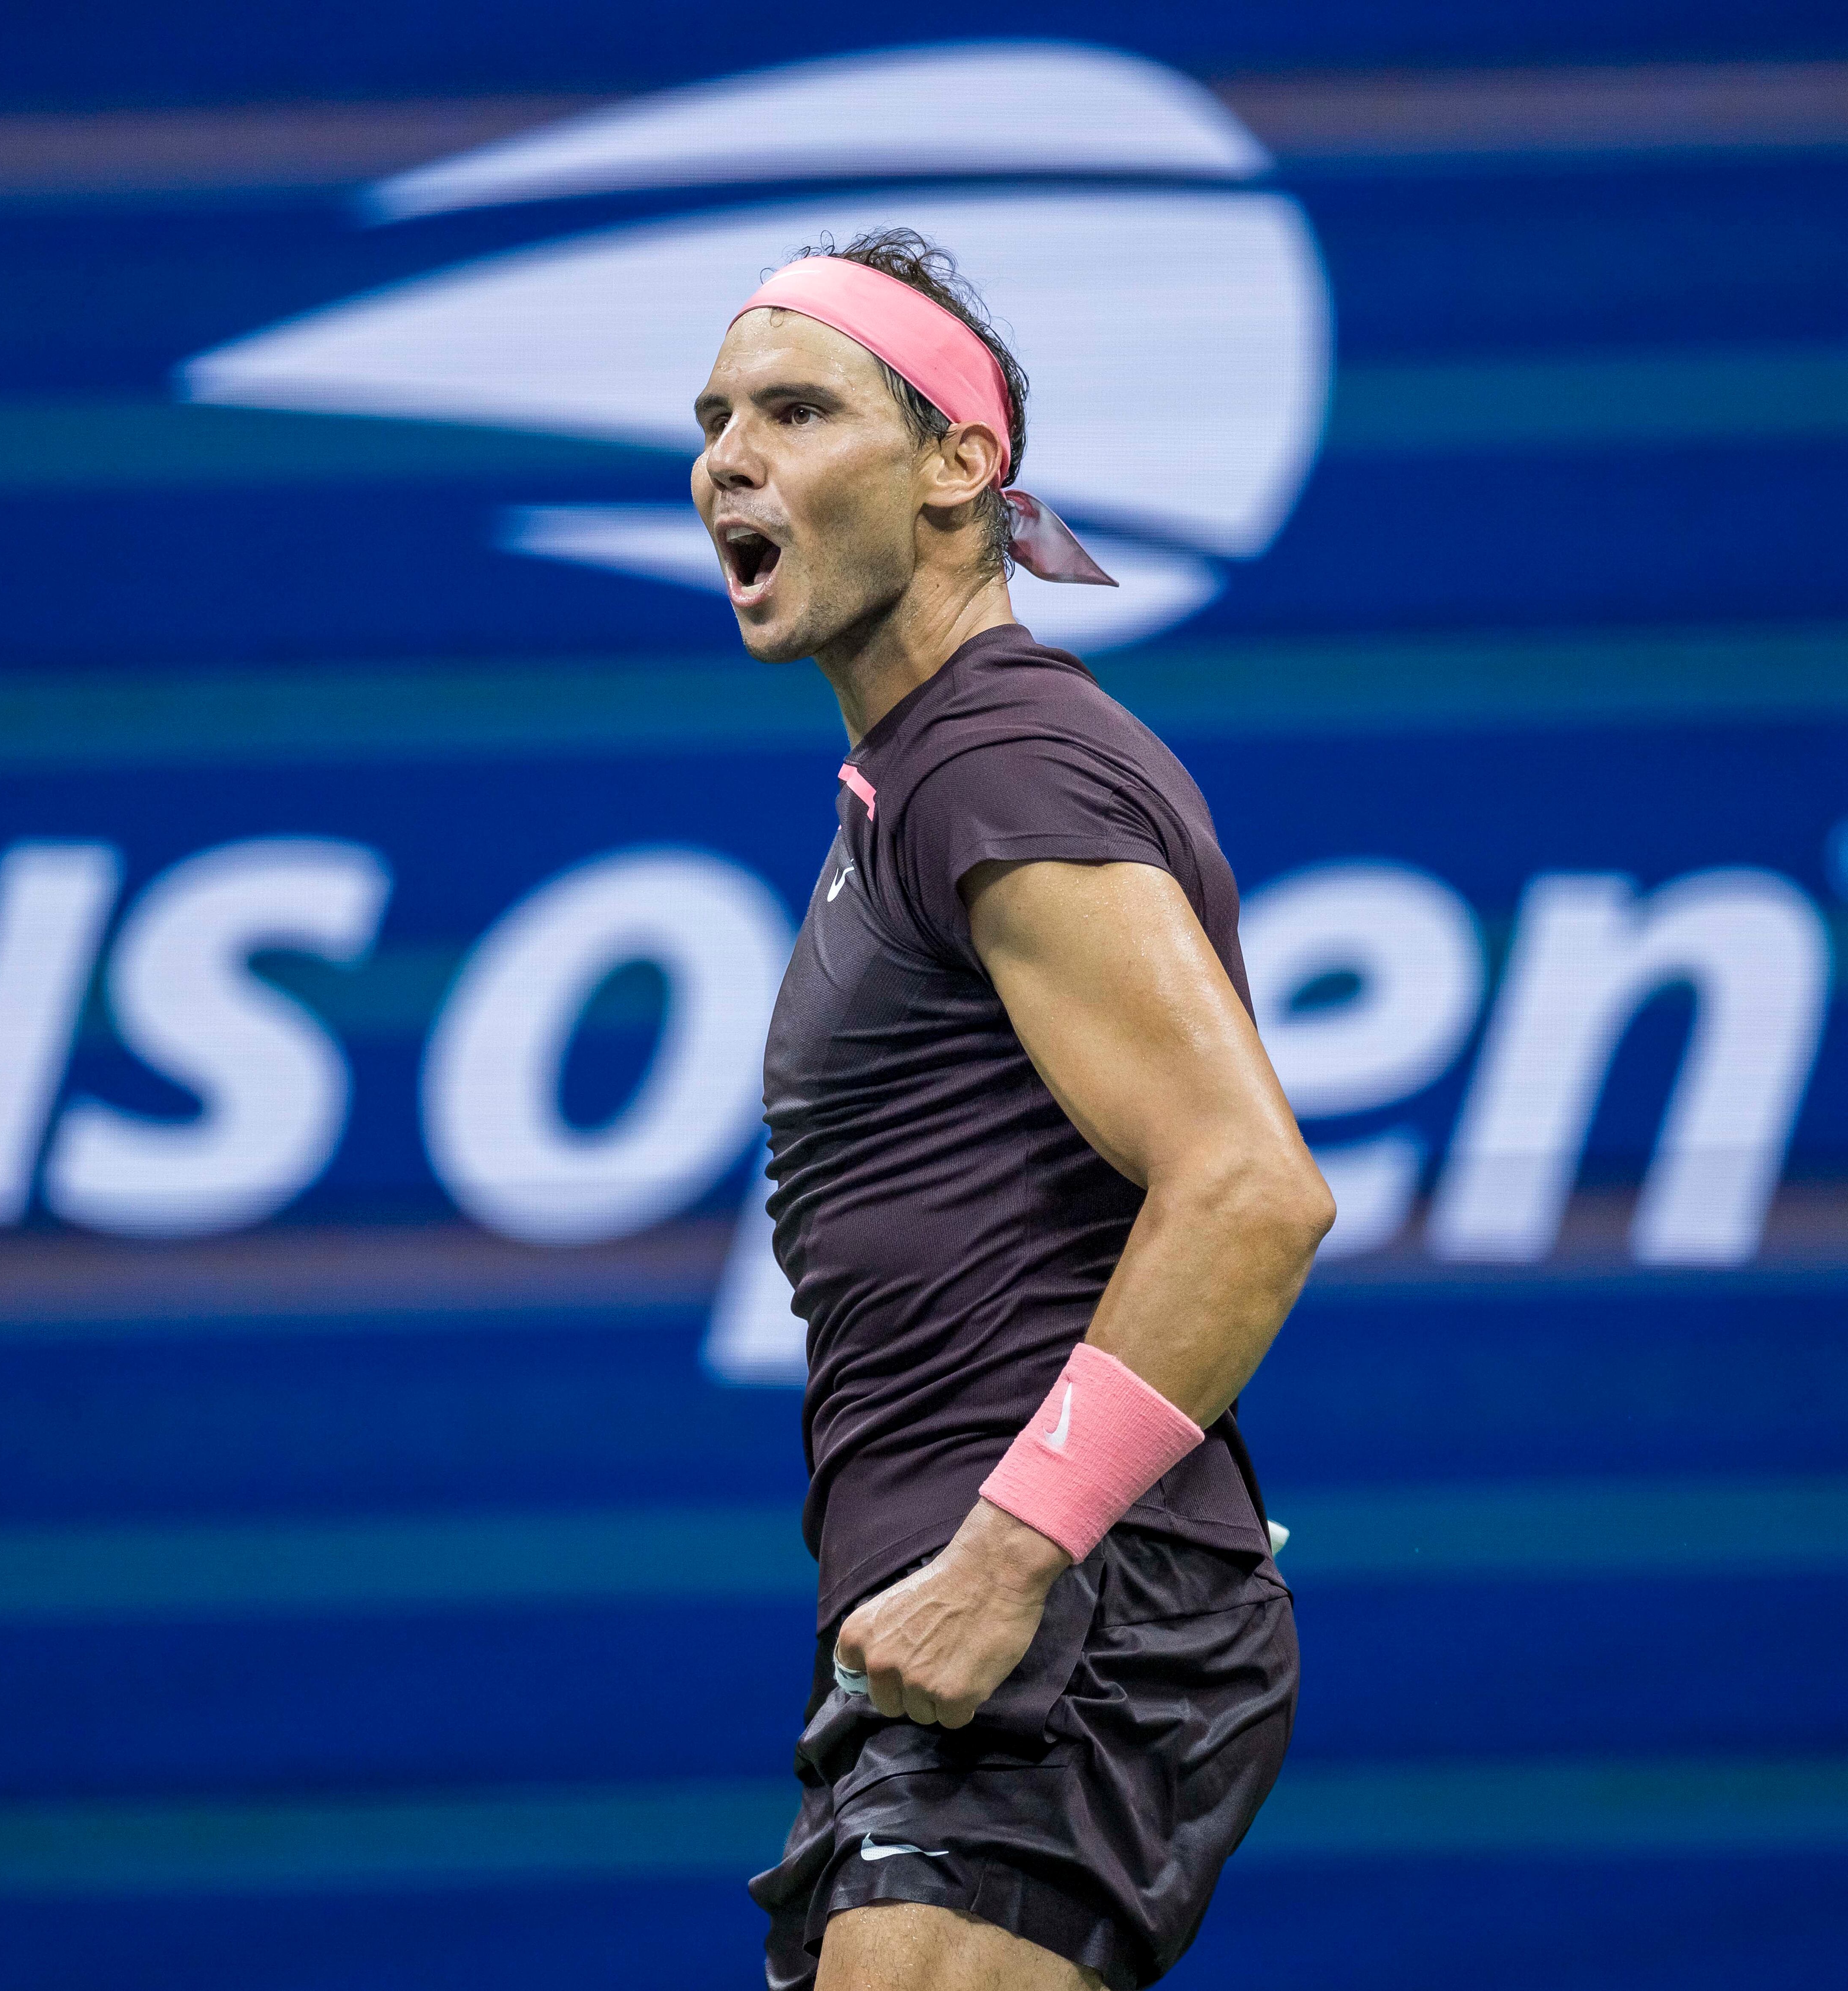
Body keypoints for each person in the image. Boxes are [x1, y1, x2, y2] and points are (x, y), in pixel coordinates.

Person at [690, 227, 1336, 1991]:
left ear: (958, 466)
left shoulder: (995, 761)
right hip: (990, 1619)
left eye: (797, 411)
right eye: (715, 419)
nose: (729, 459)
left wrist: (1007, 1555)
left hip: (1059, 1618)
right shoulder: (922, 778)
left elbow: (1248, 1187)